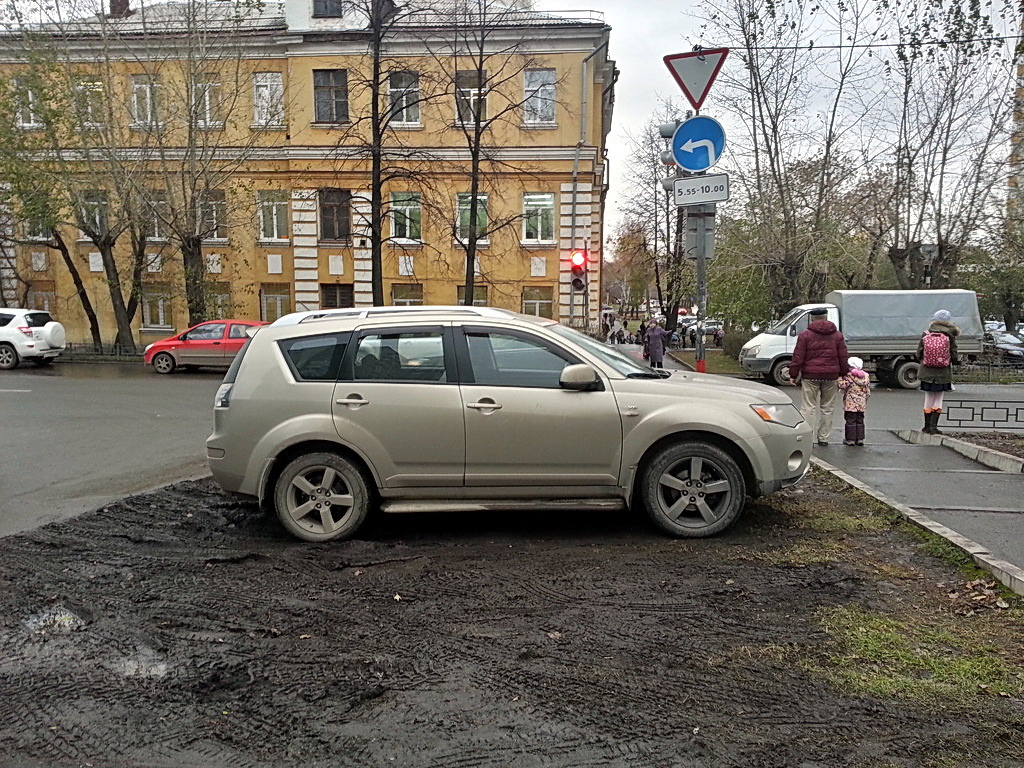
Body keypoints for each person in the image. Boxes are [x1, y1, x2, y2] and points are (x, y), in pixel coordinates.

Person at [789, 306, 850, 446]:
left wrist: (793, 374)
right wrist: (843, 373)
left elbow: (798, 356)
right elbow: (843, 356)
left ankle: (807, 437)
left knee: (808, 407)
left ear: (812, 318)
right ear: (826, 317)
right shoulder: (837, 335)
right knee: (827, 408)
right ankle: (823, 438)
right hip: (831, 376)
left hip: (810, 376)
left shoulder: (805, 335)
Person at [918, 309, 960, 435]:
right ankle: (933, 427)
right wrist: (954, 361)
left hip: (926, 371)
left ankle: (926, 426)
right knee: (938, 398)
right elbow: (954, 353)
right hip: (943, 371)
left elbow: (919, 352)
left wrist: (924, 361)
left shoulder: (926, 333)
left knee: (928, 397)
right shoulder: (949, 335)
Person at [837, 356, 871, 446]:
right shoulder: (866, 377)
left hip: (851, 404)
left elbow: (842, 385)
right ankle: (860, 439)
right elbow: (868, 391)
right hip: (861, 404)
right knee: (860, 421)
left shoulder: (849, 376)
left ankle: (850, 439)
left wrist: (840, 378)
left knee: (850, 421)